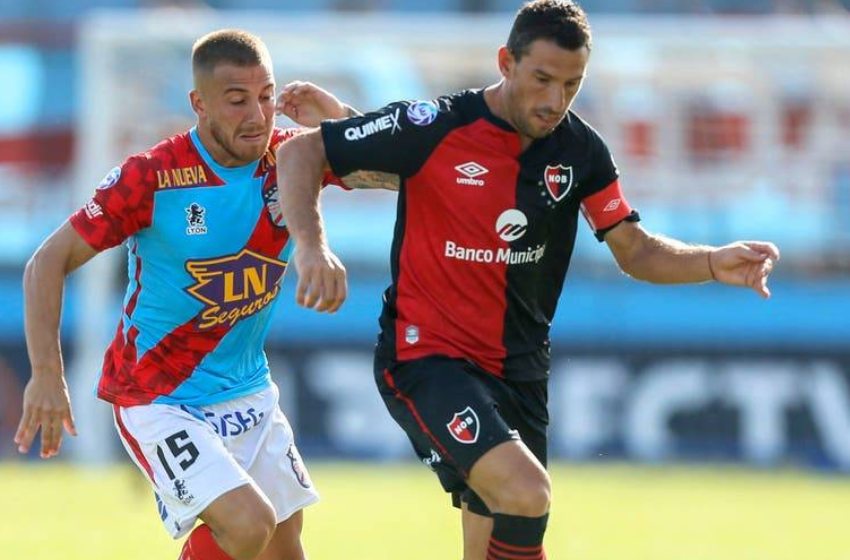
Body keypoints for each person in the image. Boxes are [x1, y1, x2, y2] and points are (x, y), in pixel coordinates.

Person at [275, 1, 780, 559]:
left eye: (572, 84)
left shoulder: (580, 151)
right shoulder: (437, 124)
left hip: (520, 372)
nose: (554, 101)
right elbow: (304, 151)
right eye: (542, 79)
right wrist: (312, 246)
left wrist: (712, 261)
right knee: (527, 493)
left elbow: (632, 249)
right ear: (505, 62)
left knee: (490, 537)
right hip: (427, 360)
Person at [14, 29, 362, 560]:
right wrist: (45, 374)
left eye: (267, 95)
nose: (258, 114)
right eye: (237, 99)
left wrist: (338, 119)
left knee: (284, 547)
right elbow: (47, 261)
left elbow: (394, 172)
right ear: (199, 104)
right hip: (158, 396)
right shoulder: (152, 177)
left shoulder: (291, 158)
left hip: (249, 391)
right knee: (248, 525)